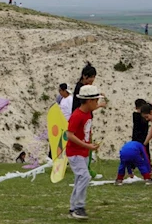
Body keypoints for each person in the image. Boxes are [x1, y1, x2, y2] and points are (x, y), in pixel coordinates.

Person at [66, 84, 102, 220]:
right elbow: (69, 134)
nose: (97, 103)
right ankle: (79, 207)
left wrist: (90, 144)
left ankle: (73, 207)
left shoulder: (88, 114)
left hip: (83, 152)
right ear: (89, 101)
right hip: (75, 153)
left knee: (79, 179)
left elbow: (87, 131)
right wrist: (86, 146)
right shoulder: (77, 115)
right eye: (96, 101)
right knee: (85, 177)